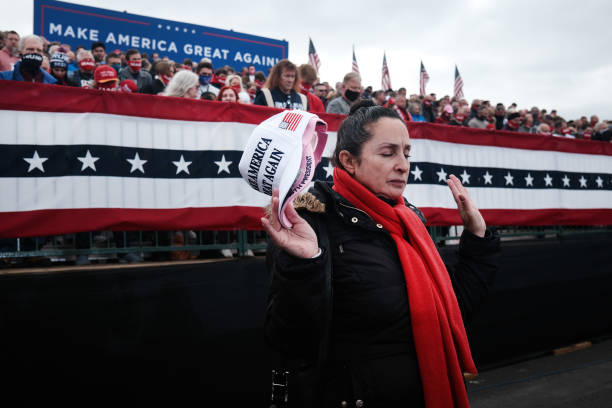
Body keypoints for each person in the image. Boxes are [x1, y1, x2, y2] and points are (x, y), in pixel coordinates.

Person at [262, 106, 500, 407]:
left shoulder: (409, 220)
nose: (403, 165)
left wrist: (477, 238)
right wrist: (304, 265)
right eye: (388, 153)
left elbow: (455, 307)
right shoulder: (311, 220)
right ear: (349, 161)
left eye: (406, 153)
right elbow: (289, 339)